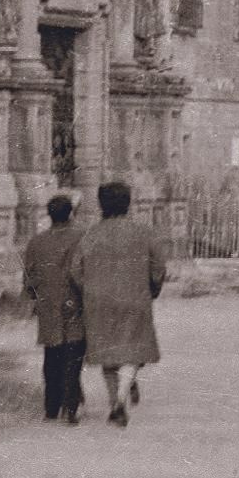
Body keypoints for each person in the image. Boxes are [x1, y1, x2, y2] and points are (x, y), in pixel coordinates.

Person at [69, 177, 166, 426]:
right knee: (132, 351)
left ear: (101, 204)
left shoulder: (91, 234)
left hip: (98, 301)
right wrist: (152, 289)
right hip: (135, 298)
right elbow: (158, 267)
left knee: (108, 353)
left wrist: (88, 290)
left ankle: (115, 401)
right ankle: (122, 397)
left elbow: (76, 269)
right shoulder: (144, 232)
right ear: (128, 203)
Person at [22, 192, 85, 424]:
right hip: (75, 301)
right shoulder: (82, 237)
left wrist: (34, 296)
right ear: (70, 214)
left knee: (52, 355)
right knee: (73, 354)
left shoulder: (36, 242)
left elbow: (29, 276)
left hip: (48, 303)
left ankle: (51, 407)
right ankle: (71, 406)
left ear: (49, 215)